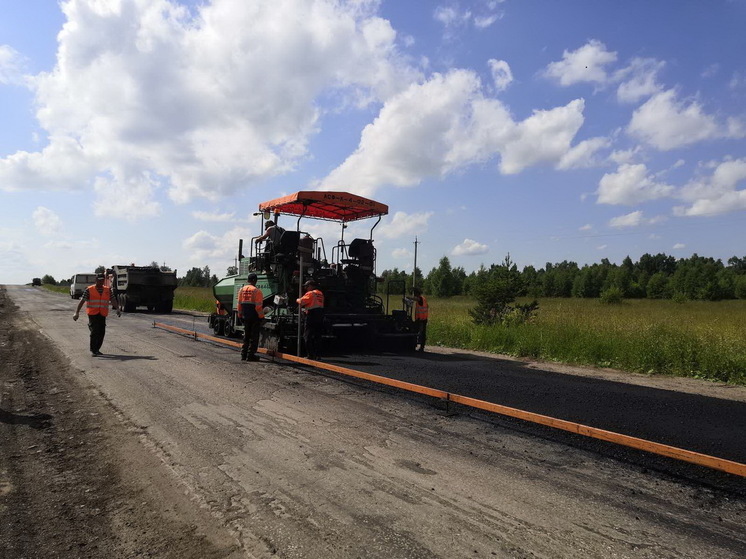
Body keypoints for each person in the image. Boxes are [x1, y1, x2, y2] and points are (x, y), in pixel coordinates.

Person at [73, 273, 121, 356]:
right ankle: (93, 350)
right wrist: (76, 312)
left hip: (102, 313)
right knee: (95, 331)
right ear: (96, 280)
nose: (101, 282)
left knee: (101, 332)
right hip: (92, 313)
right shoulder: (89, 289)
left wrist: (117, 308)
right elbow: (82, 301)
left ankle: (97, 349)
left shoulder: (107, 290)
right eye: (99, 280)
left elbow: (113, 299)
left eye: (102, 280)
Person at [238, 273, 264, 361]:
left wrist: (240, 315)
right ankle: (251, 355)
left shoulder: (242, 290)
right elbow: (258, 307)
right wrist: (261, 317)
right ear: (255, 280)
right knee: (254, 337)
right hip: (254, 316)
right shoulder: (257, 291)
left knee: (246, 336)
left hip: (245, 316)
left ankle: (243, 354)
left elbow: (239, 304)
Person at [296, 279, 324, 360]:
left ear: (311, 286)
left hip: (311, 316)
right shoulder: (320, 293)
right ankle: (318, 355)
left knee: (307, 336)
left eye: (307, 286)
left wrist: (297, 299)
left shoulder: (310, 293)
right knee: (317, 336)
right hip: (320, 316)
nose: (306, 288)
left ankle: (310, 355)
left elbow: (301, 301)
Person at [406, 287, 428, 352]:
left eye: (415, 293)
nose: (414, 295)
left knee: (418, 332)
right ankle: (420, 346)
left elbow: (416, 299)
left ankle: (419, 347)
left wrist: (408, 298)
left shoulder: (420, 299)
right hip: (423, 319)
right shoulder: (424, 299)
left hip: (421, 319)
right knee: (421, 333)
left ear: (417, 294)